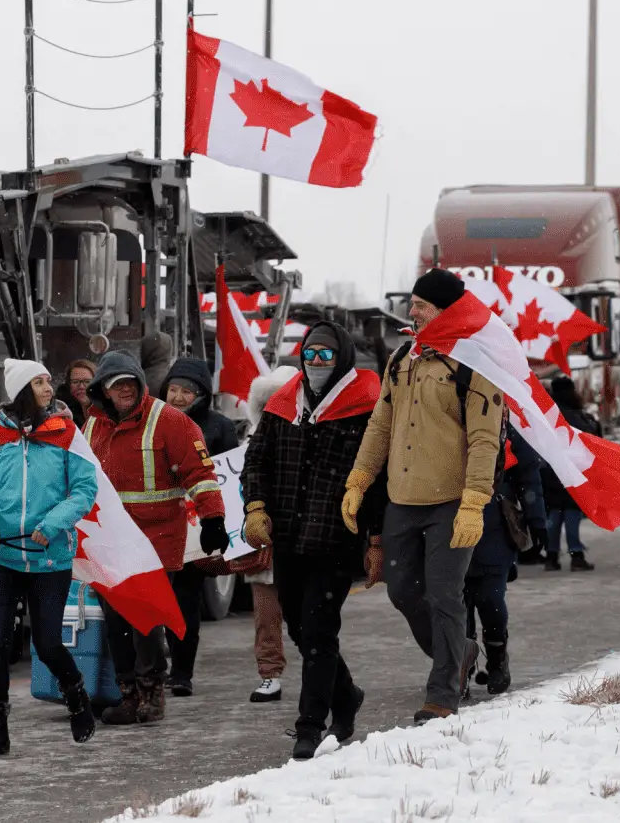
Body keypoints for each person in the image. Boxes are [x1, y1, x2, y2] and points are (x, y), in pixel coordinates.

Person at [344, 269, 502, 725]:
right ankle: (461, 652)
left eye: (420, 305)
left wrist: (474, 500)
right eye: (412, 303)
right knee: (401, 591)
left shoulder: (474, 363)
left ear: (444, 311)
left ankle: (442, 693)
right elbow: (380, 425)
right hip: (403, 498)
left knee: (445, 595)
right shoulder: (403, 358)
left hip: (452, 500)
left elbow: (485, 439)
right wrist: (359, 479)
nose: (411, 311)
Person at [243, 321, 383, 759]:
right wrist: (255, 506)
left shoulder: (366, 406)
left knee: (320, 632)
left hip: (336, 539)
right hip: (288, 537)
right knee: (300, 629)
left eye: (325, 354)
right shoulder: (283, 403)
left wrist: (377, 538)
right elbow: (256, 459)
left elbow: (379, 478)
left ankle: (310, 726)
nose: (316, 361)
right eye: (309, 353)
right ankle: (346, 696)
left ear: (342, 357)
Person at [0, 359, 100, 753]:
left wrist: (54, 523)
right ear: (21, 390)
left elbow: (84, 490)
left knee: (48, 644)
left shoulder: (66, 433)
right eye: (39, 382)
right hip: (1, 558)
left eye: (48, 381)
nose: (48, 388)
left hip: (49, 558)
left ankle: (77, 698)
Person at [84, 350, 228, 725]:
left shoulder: (171, 422)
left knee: (145, 619)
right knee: (116, 621)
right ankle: (128, 693)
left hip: (156, 538)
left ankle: (152, 693)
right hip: (110, 541)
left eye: (131, 383)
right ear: (103, 390)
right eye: (117, 385)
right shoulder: (92, 426)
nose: (125, 390)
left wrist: (213, 518)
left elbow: (200, 474)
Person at [158, 357, 240, 699]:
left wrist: (220, 525)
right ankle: (153, 669)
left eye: (187, 391)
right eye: (173, 389)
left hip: (196, 529)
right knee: (156, 600)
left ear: (202, 394)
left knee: (185, 600)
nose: (178, 397)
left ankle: (181, 673)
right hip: (158, 525)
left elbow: (230, 480)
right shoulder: (152, 422)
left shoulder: (220, 427)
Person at [464, 423, 547, 699]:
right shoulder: (442, 417)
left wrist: (537, 521)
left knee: (491, 600)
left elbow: (528, 476)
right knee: (456, 604)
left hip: (495, 527)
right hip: (450, 522)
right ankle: (460, 665)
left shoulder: (504, 424)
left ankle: (497, 656)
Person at [540, 376, 598, 572]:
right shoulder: (575, 415)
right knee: (572, 512)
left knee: (554, 513)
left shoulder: (547, 414)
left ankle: (551, 556)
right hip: (572, 470)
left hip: (551, 470)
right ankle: (576, 555)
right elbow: (588, 437)